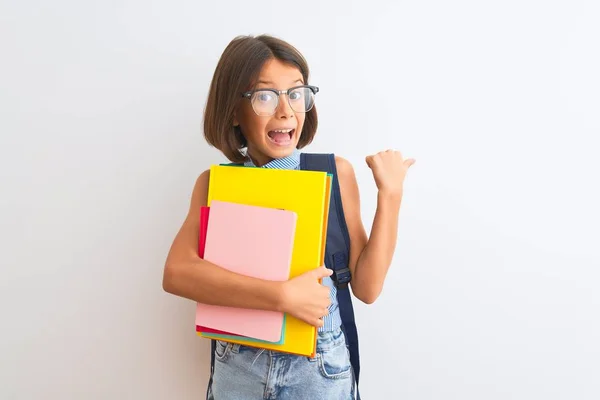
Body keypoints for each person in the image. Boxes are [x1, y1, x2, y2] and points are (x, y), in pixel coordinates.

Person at [162, 34, 415, 400]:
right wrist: (282, 297)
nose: (286, 110)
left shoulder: (332, 173)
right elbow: (177, 272)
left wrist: (390, 195)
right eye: (265, 96)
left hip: (318, 370)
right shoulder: (215, 183)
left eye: (296, 93)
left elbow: (367, 287)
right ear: (234, 110)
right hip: (238, 369)